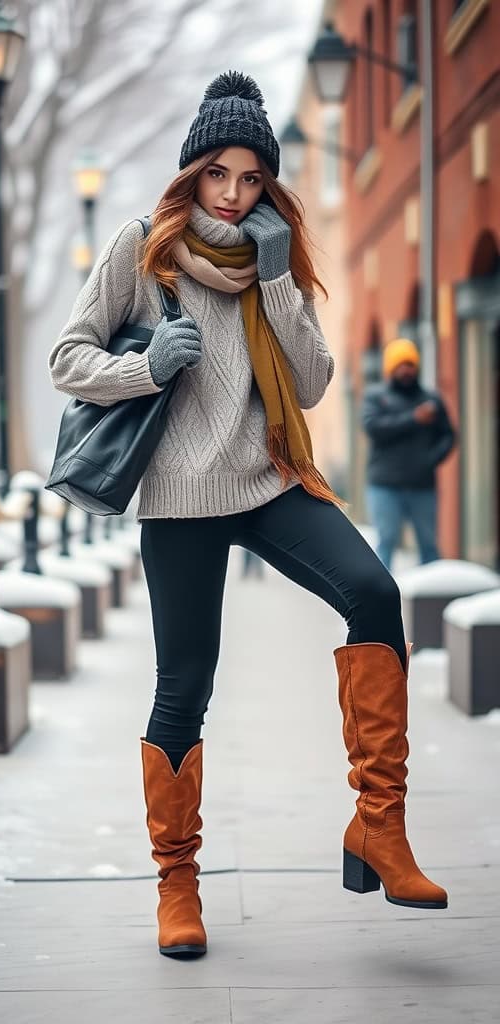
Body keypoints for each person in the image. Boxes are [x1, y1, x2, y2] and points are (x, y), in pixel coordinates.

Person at [49, 71, 447, 960]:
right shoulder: (140, 250)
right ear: (190, 172)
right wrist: (147, 365)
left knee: (376, 594)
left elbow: (311, 383)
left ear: (269, 182)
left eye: (251, 177)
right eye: (217, 174)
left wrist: (274, 282)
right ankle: (176, 882)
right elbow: (67, 360)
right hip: (181, 500)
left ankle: (380, 827)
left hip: (270, 480)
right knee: (184, 686)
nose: (233, 194)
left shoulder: (273, 257)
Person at [362, 339, 456, 571]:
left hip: (422, 486)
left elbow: (449, 435)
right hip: (385, 486)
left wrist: (430, 460)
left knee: (429, 547)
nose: (406, 370)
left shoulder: (431, 399)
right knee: (386, 544)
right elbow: (374, 428)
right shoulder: (375, 397)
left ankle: (433, 599)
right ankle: (381, 600)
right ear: (390, 368)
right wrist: (414, 419)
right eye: (400, 365)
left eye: (410, 364)